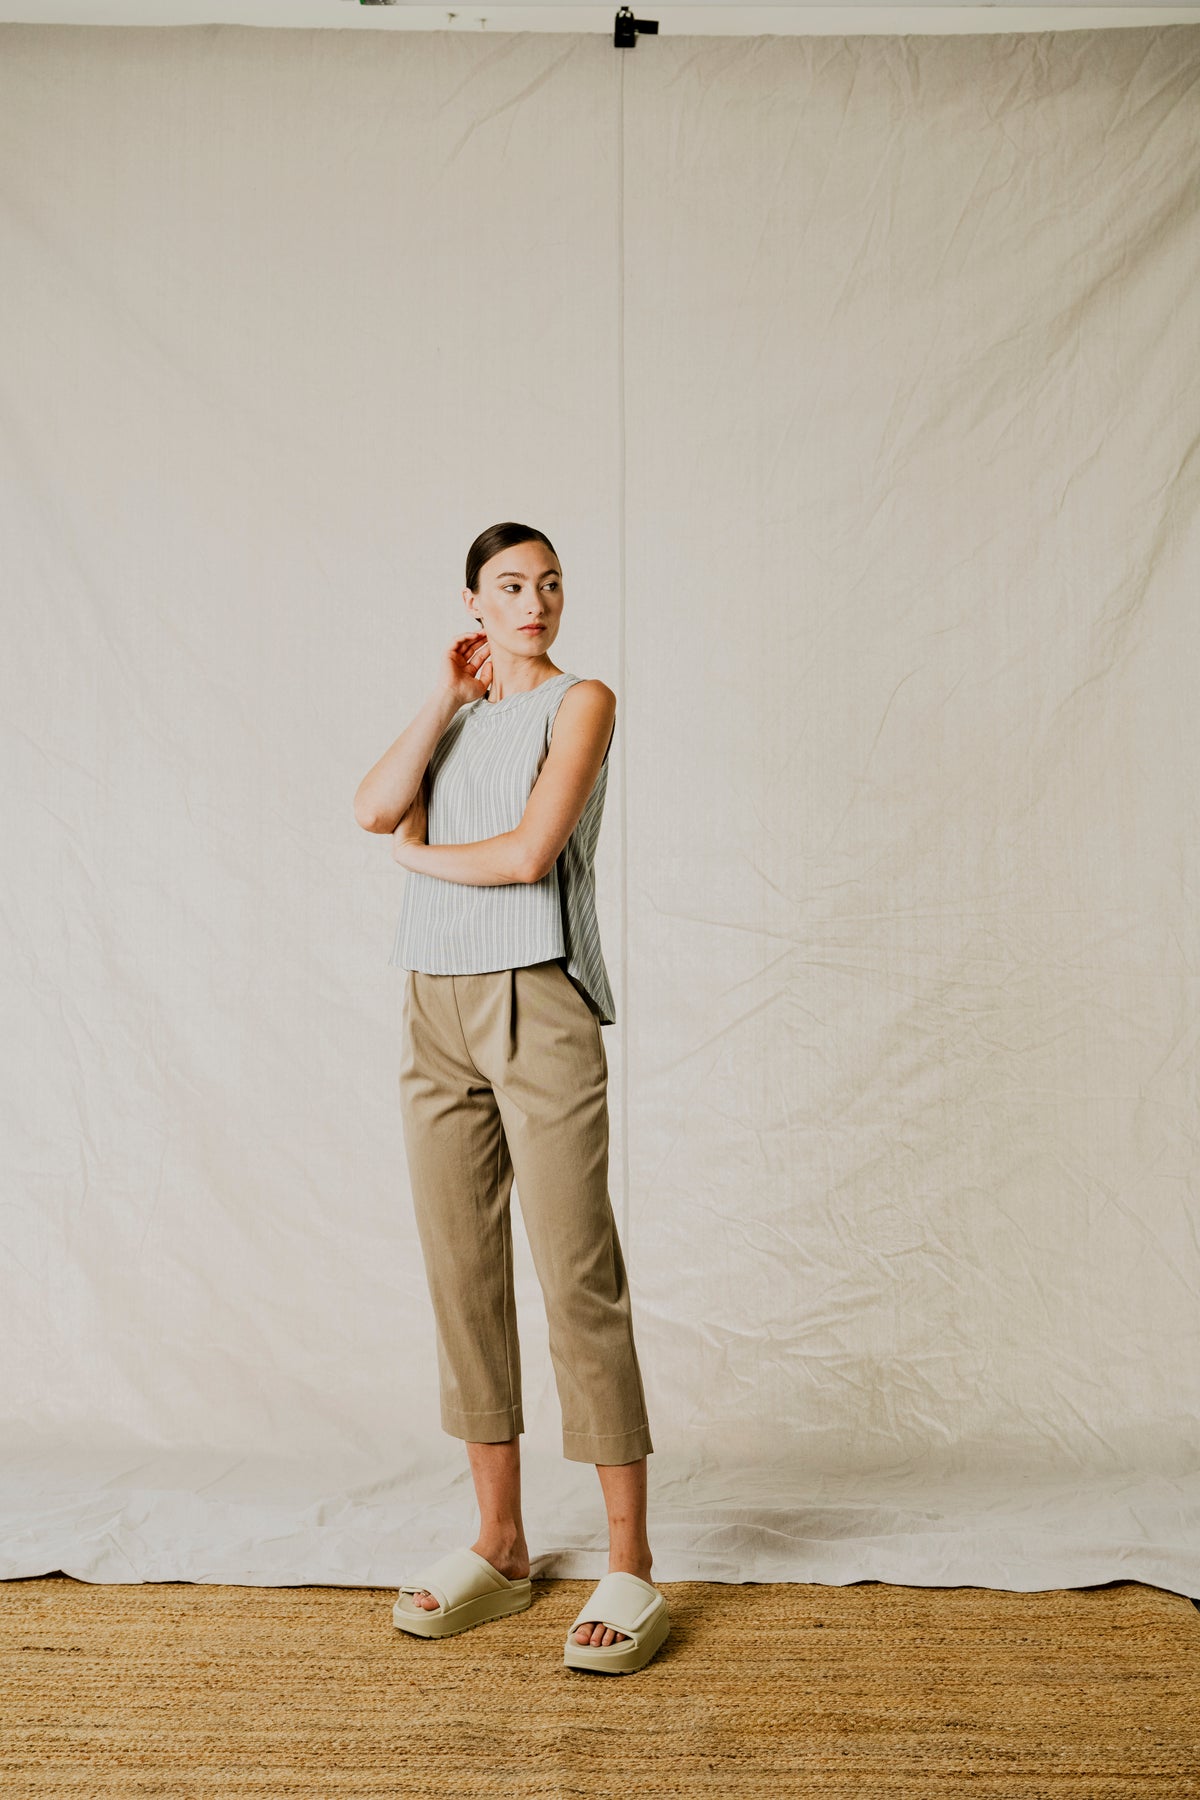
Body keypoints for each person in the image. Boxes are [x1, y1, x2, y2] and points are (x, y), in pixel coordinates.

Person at [353, 522, 669, 1675]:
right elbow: (374, 805)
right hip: (432, 1004)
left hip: (537, 997)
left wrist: (416, 859)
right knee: (461, 1273)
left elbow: (529, 854)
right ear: (473, 604)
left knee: (578, 1274)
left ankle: (631, 1561)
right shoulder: (462, 718)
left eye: (548, 584)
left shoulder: (581, 703)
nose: (533, 602)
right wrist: (443, 697)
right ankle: (501, 1541)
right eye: (509, 586)